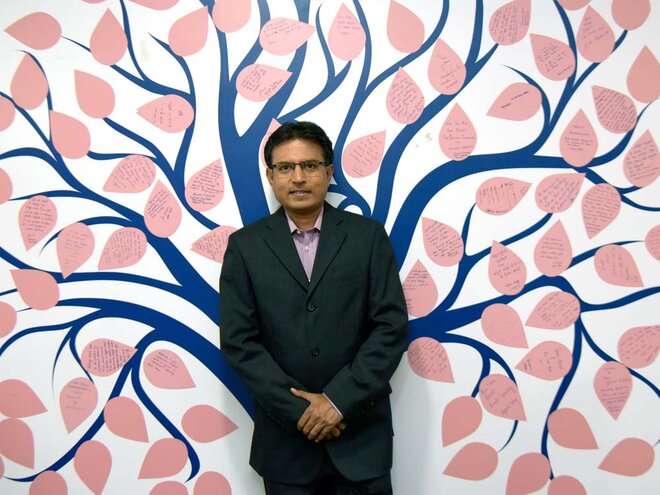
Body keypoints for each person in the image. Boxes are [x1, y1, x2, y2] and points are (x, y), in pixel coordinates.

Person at [219, 121, 408, 494]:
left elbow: (390, 327)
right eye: (285, 167)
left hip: (360, 439)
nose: (298, 177)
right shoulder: (245, 247)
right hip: (285, 445)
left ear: (329, 171)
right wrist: (303, 413)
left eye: (309, 165)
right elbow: (240, 343)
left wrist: (338, 402)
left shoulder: (368, 238)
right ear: (271, 176)